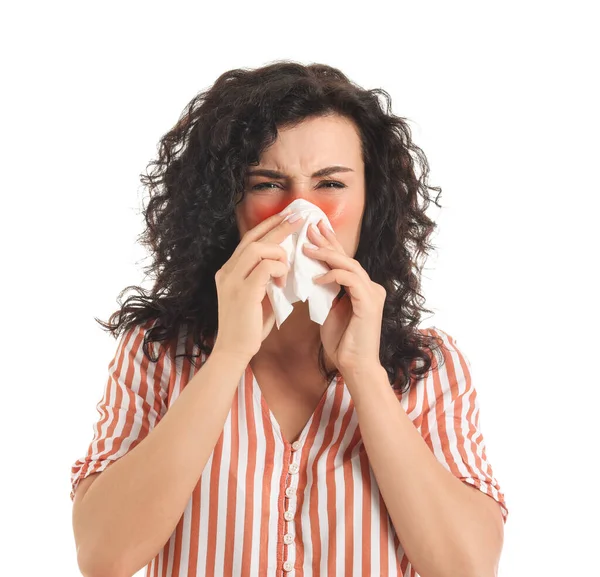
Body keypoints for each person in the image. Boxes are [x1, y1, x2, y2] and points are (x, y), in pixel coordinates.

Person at [70, 61, 509, 577]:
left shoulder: (429, 366)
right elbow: (103, 557)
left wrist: (364, 373)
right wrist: (229, 354)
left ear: (372, 201)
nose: (301, 212)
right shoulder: (159, 352)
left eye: (330, 184)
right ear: (226, 204)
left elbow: (467, 567)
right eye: (268, 184)